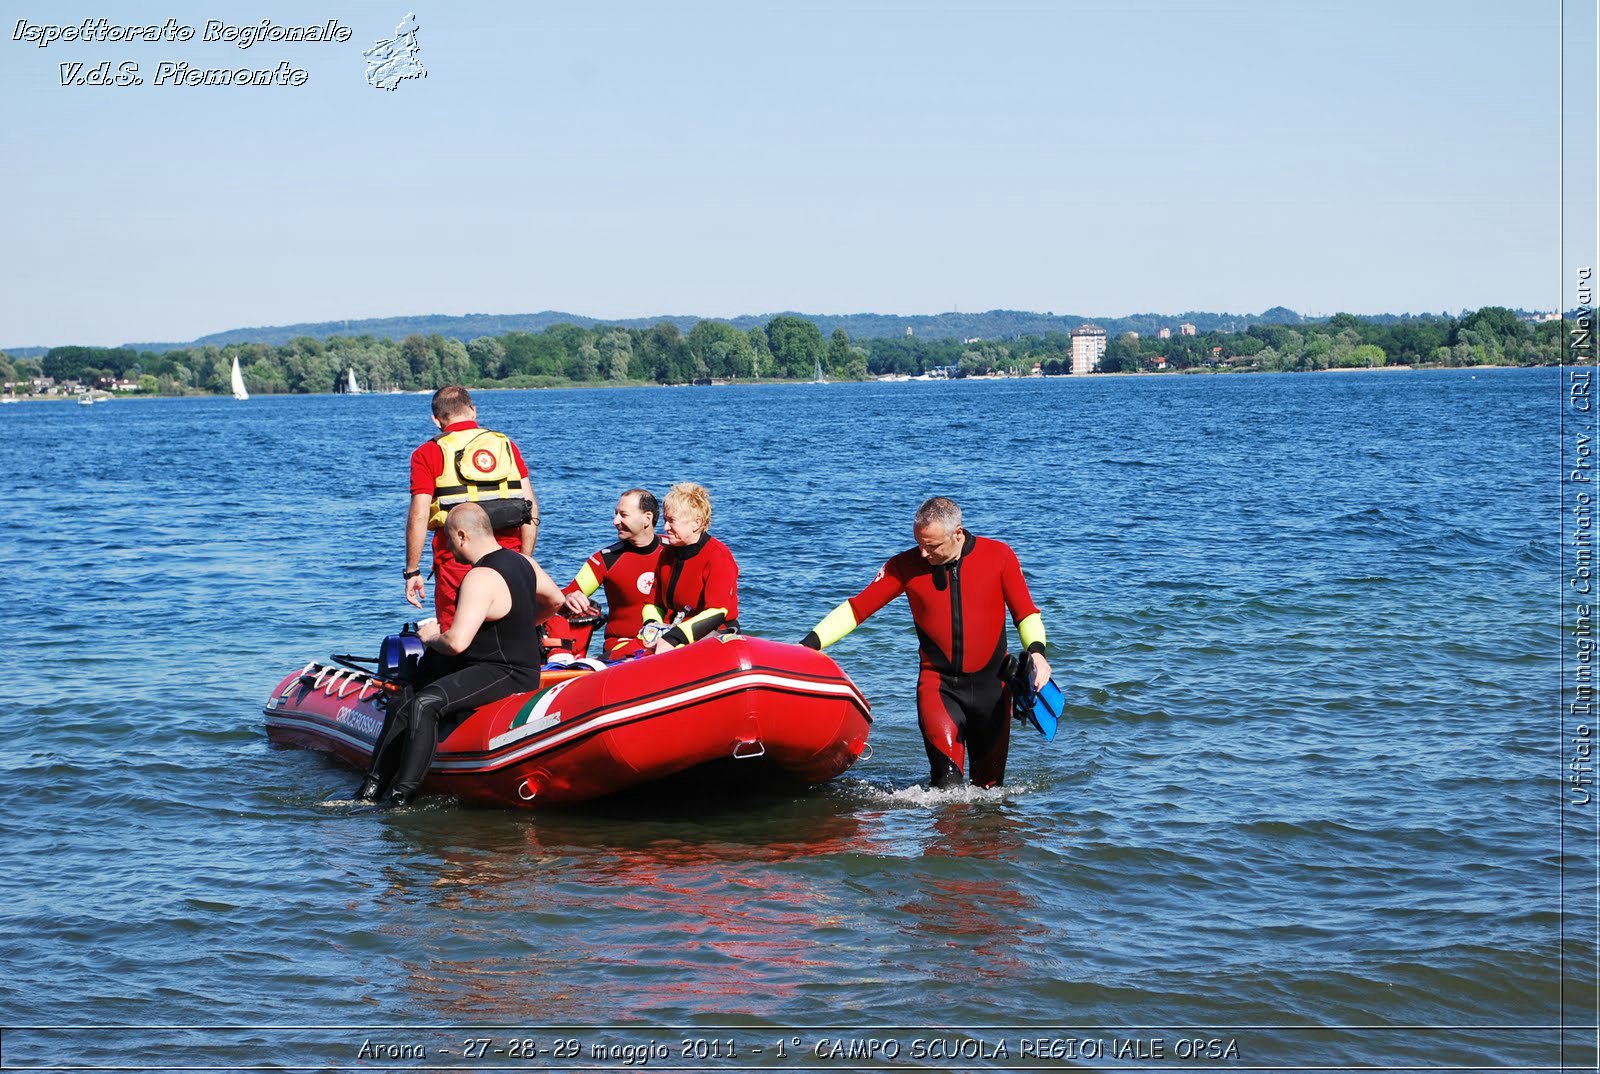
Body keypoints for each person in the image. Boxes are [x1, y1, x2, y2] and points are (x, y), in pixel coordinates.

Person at [800, 496, 1051, 789]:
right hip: (939, 687)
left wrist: (1037, 653)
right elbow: (857, 609)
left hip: (992, 690)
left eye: (931, 546)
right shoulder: (905, 566)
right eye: (919, 542)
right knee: (946, 789)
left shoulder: (999, 556)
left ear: (957, 533)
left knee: (990, 791)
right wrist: (808, 647)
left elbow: (1026, 613)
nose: (922, 553)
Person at [359, 503, 564, 806]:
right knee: (403, 699)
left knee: (424, 704)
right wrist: (521, 624)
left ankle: (400, 800)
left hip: (506, 672)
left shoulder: (480, 576)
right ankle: (369, 791)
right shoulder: (523, 561)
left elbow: (455, 643)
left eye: (446, 539)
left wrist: (429, 637)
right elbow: (555, 600)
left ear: (462, 536)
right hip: (500, 665)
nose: (445, 547)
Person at [404, 385, 538, 630]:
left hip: (455, 560)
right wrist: (526, 559)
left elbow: (419, 515)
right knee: (511, 632)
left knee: (457, 633)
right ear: (473, 411)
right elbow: (530, 507)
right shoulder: (505, 445)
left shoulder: (428, 453)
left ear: (436, 420)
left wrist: (412, 571)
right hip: (510, 557)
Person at [561, 488, 664, 659]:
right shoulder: (606, 559)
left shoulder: (675, 551)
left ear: (647, 518)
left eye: (623, 515)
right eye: (616, 514)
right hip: (621, 646)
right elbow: (566, 593)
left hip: (667, 642)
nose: (615, 521)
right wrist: (569, 597)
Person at [643, 482, 739, 652]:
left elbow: (717, 611)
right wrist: (651, 628)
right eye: (665, 520)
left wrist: (673, 638)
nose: (665, 527)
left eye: (671, 521)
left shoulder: (718, 556)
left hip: (717, 634)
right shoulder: (667, 554)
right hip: (675, 630)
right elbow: (653, 603)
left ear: (697, 523)